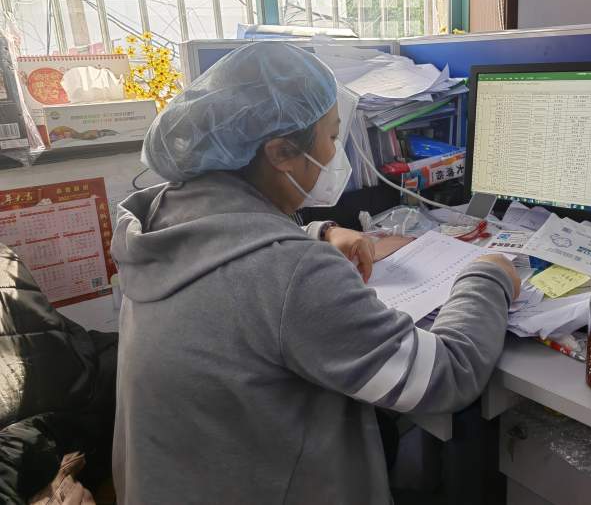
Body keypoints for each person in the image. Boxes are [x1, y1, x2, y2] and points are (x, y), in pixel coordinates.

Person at [111, 42, 520, 505]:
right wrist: (487, 273)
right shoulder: (291, 274)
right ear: (281, 152)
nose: (335, 153)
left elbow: (228, 247)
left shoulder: (159, 219)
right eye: (332, 136)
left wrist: (321, 232)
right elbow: (446, 374)